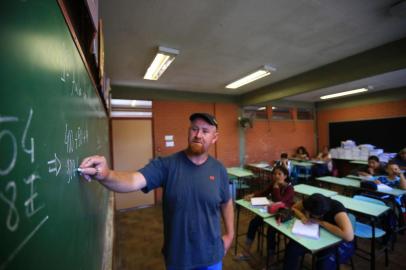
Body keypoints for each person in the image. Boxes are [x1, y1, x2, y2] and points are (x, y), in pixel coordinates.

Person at [79, 113, 234, 270]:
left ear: (215, 137)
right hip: (179, 258)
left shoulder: (219, 169)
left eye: (205, 131)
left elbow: (226, 202)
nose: (198, 135)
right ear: (189, 131)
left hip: (212, 256)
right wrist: (106, 174)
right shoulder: (167, 165)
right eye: (194, 129)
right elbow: (133, 180)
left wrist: (230, 234)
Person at [235, 165, 294, 263]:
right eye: (274, 174)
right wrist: (252, 195)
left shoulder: (289, 188)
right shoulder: (274, 184)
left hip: (282, 215)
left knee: (271, 232)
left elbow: (280, 201)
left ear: (285, 176)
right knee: (253, 223)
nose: (276, 176)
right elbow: (263, 193)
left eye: (279, 174)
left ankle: (271, 260)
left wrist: (275, 188)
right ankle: (246, 252)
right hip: (270, 212)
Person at [284, 193, 354, 270]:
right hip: (310, 233)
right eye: (308, 212)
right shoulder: (311, 202)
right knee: (292, 249)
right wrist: (303, 216)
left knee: (323, 263)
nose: (309, 215)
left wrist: (321, 223)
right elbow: (294, 208)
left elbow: (349, 236)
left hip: (330, 239)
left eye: (312, 215)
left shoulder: (337, 209)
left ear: (322, 214)